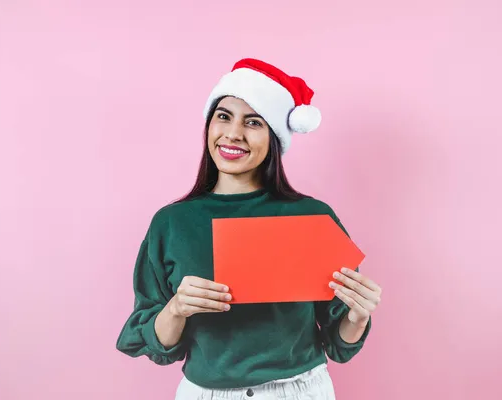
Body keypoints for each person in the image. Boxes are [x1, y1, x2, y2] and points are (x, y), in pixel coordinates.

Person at [116, 58, 383, 399]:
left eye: (253, 122)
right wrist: (177, 308)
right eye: (223, 116)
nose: (233, 134)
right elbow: (159, 344)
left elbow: (338, 341)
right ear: (209, 123)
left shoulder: (312, 218)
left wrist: (359, 315)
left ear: (273, 136)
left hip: (298, 391)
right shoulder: (171, 223)